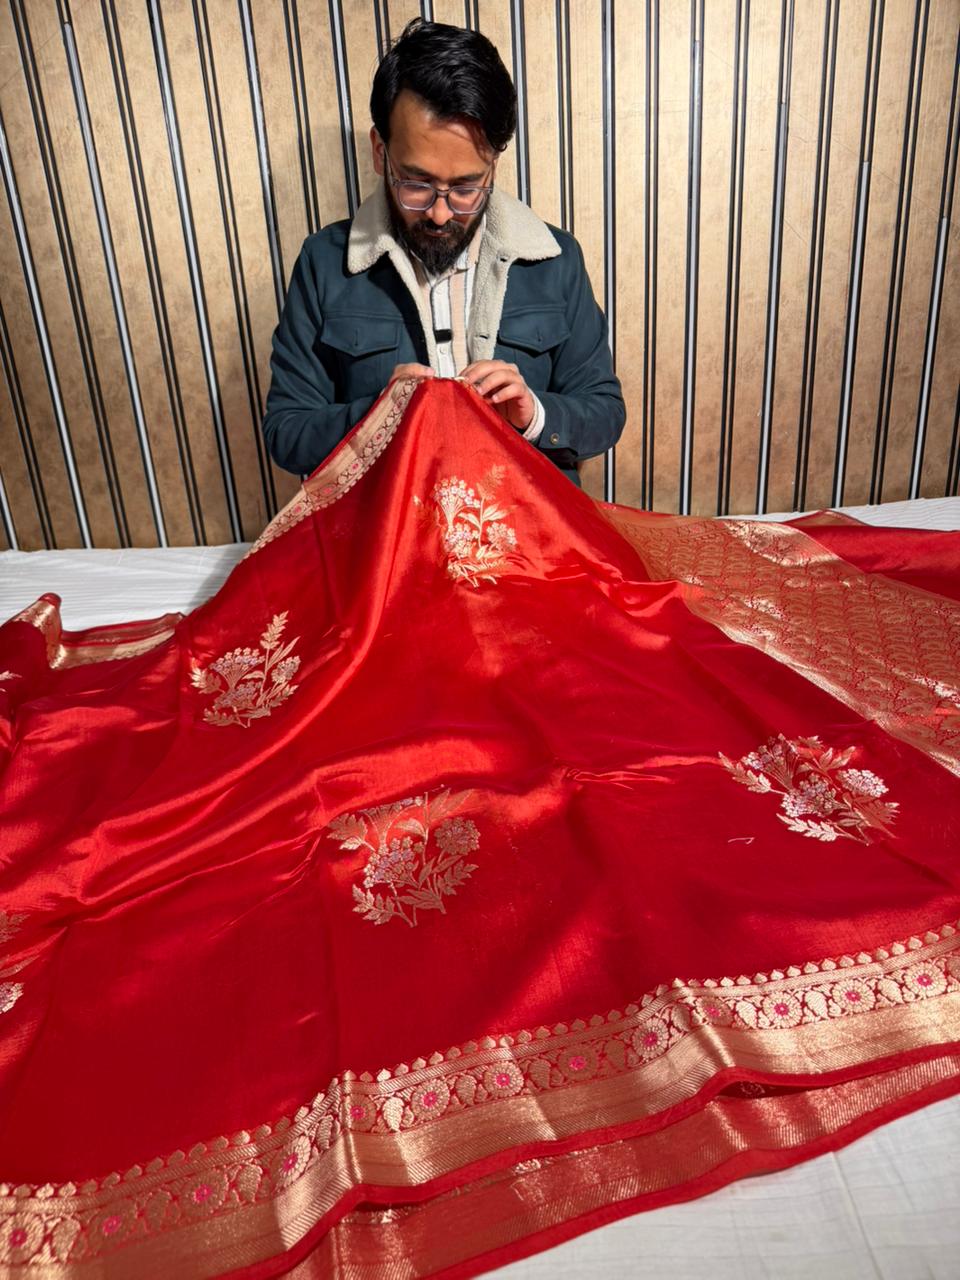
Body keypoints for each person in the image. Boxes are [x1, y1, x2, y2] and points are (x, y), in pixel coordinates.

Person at [262, 18, 625, 485]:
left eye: (466, 187)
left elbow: (605, 413)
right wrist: (378, 417)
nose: (438, 214)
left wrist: (533, 412)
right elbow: (286, 430)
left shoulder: (557, 259)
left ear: (493, 165)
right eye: (416, 183)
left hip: (527, 539)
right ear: (380, 152)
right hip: (387, 536)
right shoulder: (322, 263)